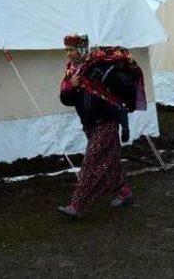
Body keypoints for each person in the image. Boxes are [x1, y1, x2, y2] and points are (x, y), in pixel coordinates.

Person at [57, 34, 146, 219]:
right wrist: (72, 87)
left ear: (81, 48)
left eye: (71, 49)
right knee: (110, 161)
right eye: (66, 50)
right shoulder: (71, 70)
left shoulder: (98, 64)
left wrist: (123, 121)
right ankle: (124, 191)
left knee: (92, 161)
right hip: (89, 125)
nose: (68, 54)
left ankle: (77, 205)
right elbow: (65, 98)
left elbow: (115, 92)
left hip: (107, 122)